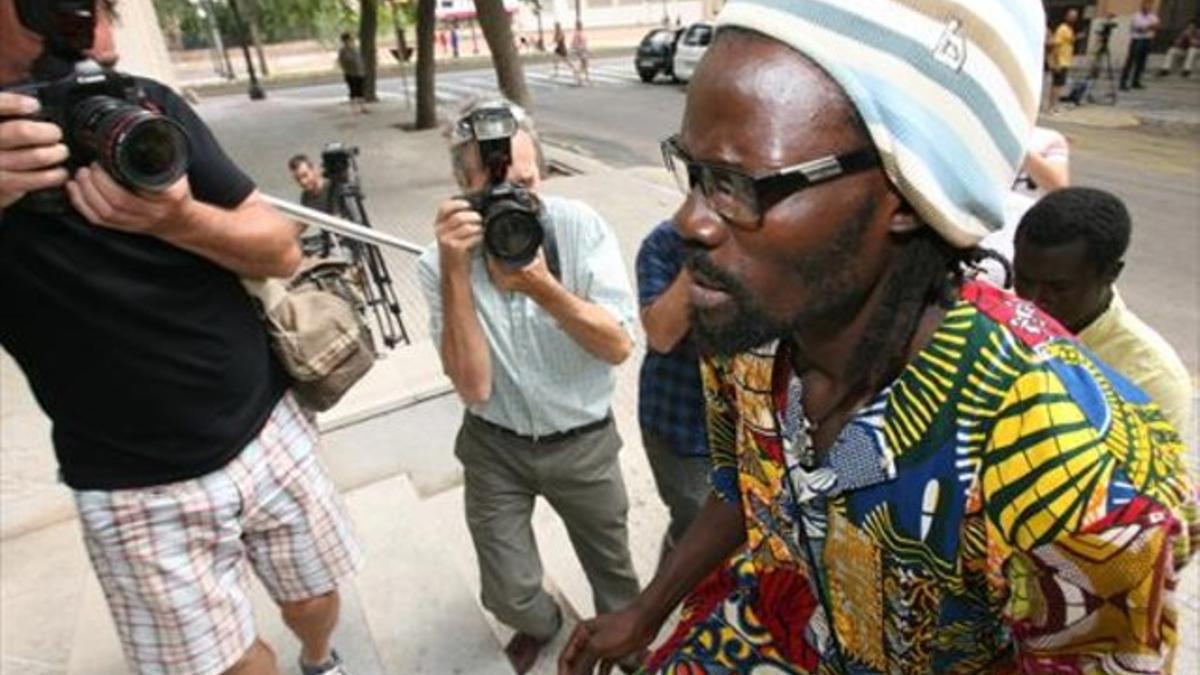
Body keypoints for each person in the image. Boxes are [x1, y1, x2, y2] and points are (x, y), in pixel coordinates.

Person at [560, 1, 1198, 673]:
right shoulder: (753, 333)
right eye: (694, 173)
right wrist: (648, 607)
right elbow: (747, 480)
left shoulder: (1068, 465)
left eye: (736, 184)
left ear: (903, 195)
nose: (689, 220)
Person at [0, 2, 363, 675]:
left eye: (101, 15)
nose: (95, 42)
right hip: (131, 484)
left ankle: (320, 658)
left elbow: (280, 248)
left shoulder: (147, 104)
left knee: (314, 599)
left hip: (267, 425)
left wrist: (177, 218)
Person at [417, 100, 642, 675]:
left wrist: (541, 285)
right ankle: (541, 623)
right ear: (460, 184)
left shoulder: (576, 226)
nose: (510, 204)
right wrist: (454, 271)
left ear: (539, 171)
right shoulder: (437, 259)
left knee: (613, 571)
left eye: (523, 183)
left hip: (584, 441)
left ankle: (624, 643)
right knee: (507, 590)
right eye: (490, 191)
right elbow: (472, 385)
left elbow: (618, 346)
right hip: (496, 444)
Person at [1013, 187, 1193, 440]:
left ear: (1110, 274)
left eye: (1059, 287)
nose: (1032, 300)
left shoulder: (1152, 379)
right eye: (1024, 279)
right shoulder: (991, 318)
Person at [635, 221, 710, 568]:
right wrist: (703, 252)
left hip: (756, 427)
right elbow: (662, 334)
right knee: (695, 529)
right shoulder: (665, 243)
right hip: (683, 428)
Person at [978, 125, 1070, 287]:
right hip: (980, 228)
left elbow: (1058, 185)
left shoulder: (1048, 138)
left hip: (1022, 233)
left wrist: (1017, 145)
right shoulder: (981, 125)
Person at [288, 153, 337, 256]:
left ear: (314, 170)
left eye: (305, 175)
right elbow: (303, 222)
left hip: (345, 239)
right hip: (328, 239)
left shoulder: (333, 188)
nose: (303, 182)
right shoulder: (306, 197)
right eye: (298, 179)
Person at [1121, 0, 1160, 90]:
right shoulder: (1136, 16)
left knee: (1141, 62)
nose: (1148, 6)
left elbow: (1156, 27)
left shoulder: (1153, 16)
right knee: (1131, 61)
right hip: (1137, 40)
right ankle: (1123, 82)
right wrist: (1148, 27)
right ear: (1142, 5)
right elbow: (1136, 28)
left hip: (1147, 40)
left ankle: (1136, 81)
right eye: (1146, 4)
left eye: (1150, 5)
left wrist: (1146, 27)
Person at [1046, 8, 1078, 113]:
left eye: (1075, 16)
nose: (1073, 18)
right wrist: (1055, 62)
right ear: (1066, 16)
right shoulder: (1062, 29)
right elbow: (1055, 45)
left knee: (1059, 85)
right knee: (1056, 85)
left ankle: (1054, 106)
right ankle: (1051, 107)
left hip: (1066, 61)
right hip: (1060, 61)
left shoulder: (1069, 29)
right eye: (1071, 15)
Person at [337, 31, 368, 114]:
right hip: (350, 74)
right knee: (353, 91)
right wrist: (347, 69)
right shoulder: (343, 51)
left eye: (351, 39)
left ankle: (363, 107)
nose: (351, 40)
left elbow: (360, 60)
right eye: (349, 39)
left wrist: (363, 69)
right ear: (345, 40)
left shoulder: (356, 48)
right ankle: (354, 109)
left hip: (359, 72)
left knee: (360, 90)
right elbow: (342, 61)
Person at [571, 21, 592, 86]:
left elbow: (585, 43)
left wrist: (588, 50)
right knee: (581, 66)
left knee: (585, 65)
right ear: (577, 26)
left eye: (581, 25)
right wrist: (576, 49)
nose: (581, 26)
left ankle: (586, 79)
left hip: (584, 51)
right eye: (579, 25)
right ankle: (579, 80)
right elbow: (574, 43)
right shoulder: (576, 34)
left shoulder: (581, 33)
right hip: (580, 51)